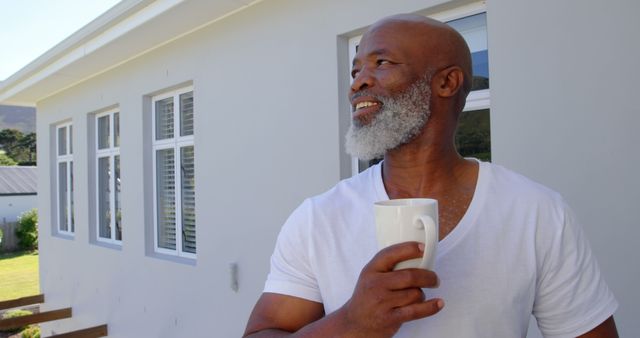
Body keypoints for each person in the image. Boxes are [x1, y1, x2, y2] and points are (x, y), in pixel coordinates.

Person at [243, 14, 619, 337]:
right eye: (356, 69)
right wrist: (349, 325)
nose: (357, 82)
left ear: (446, 83)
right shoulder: (317, 219)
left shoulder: (537, 212)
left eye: (382, 62)